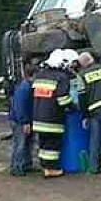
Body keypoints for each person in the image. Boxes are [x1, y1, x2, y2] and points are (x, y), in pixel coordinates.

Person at [31, 50, 73, 178]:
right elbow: (62, 99)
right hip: (53, 119)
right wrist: (73, 106)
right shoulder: (62, 78)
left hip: (38, 118)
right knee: (52, 145)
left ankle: (45, 167)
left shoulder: (39, 75)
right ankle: (52, 169)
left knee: (43, 144)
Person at [8, 65, 34, 176]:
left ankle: (26, 164)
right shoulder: (25, 88)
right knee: (20, 144)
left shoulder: (26, 86)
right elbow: (20, 106)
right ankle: (16, 167)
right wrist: (24, 122)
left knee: (27, 143)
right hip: (20, 121)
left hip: (23, 119)